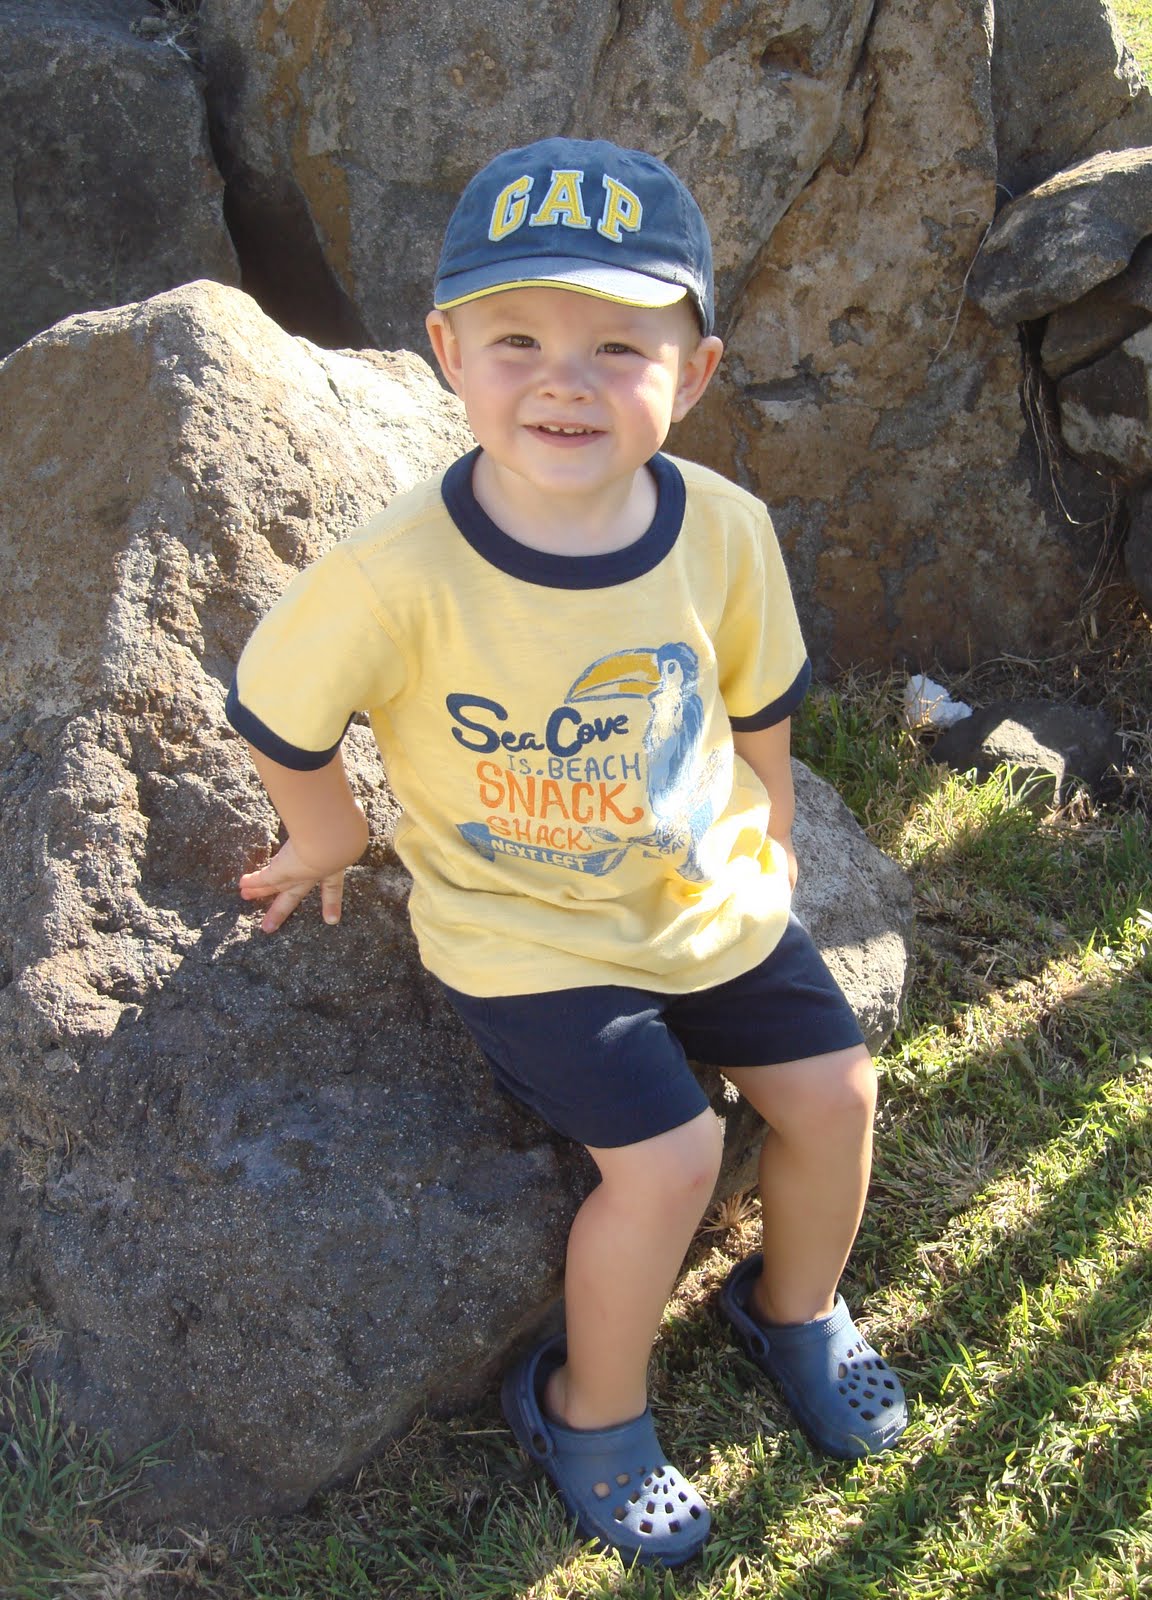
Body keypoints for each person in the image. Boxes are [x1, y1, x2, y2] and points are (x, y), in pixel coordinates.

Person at [226, 136, 908, 1568]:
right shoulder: (398, 573)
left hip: (699, 895)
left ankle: (792, 1309)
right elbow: (279, 706)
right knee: (670, 1159)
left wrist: (775, 823)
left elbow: (758, 698)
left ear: (695, 374)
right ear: (447, 353)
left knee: (839, 1092)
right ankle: (590, 1406)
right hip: (526, 934)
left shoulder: (723, 530)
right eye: (519, 340)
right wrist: (329, 828)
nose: (565, 381)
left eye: (618, 345)